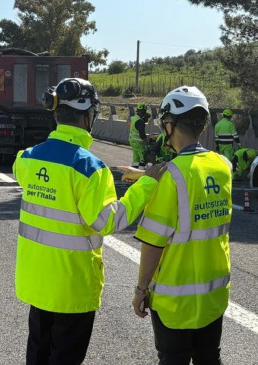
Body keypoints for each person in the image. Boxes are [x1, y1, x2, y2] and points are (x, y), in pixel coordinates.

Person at [14, 78, 162, 365]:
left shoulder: (28, 159)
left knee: (38, 354)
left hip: (36, 281)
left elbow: (22, 168)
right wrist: (145, 187)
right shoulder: (90, 169)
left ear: (56, 113)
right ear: (87, 116)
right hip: (72, 286)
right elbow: (106, 222)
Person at [132, 86, 232, 365]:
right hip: (213, 294)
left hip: (175, 300)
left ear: (169, 124)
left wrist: (141, 290)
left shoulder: (171, 176)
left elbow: (153, 243)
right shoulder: (222, 166)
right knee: (209, 358)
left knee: (173, 359)